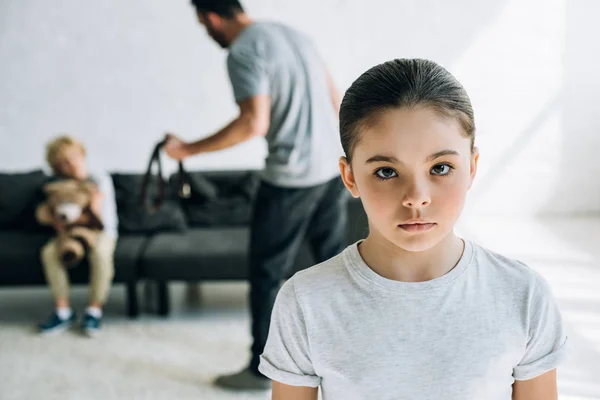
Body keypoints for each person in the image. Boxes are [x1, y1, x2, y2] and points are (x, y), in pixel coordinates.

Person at [258, 59, 568, 399]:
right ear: (350, 177)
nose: (416, 198)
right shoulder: (306, 302)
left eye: (441, 167)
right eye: (387, 172)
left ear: (472, 167)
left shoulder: (522, 295)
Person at [163, 0, 348, 390]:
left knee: (266, 275)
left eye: (202, 25)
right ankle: (345, 360)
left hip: (290, 179)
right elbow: (338, 101)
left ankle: (262, 371)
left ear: (213, 17)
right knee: (336, 269)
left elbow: (253, 122)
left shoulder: (245, 50)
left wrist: (188, 149)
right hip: (331, 170)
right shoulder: (295, 36)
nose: (206, 32)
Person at [38, 135, 118, 337]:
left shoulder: (99, 180)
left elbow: (100, 220)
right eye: (63, 163)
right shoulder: (58, 186)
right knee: (49, 253)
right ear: (57, 167)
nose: (71, 164)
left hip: (101, 232)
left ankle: (93, 311)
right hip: (68, 235)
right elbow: (53, 217)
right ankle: (63, 311)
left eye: (73, 157)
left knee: (100, 254)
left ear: (82, 154)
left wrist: (86, 211)